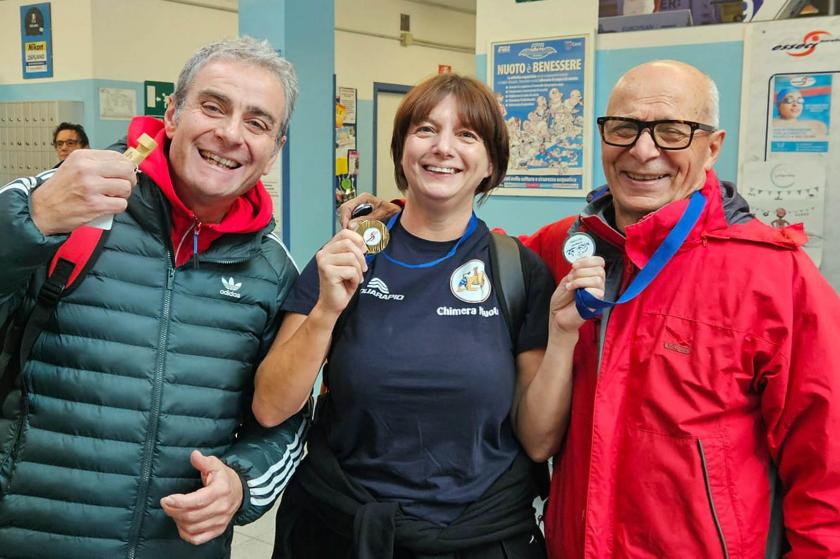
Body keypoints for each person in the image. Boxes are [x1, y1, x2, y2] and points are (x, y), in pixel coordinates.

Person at [339, 60, 840, 557]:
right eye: (623, 128)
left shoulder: (775, 277)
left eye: (672, 132)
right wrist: (405, 219)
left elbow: (827, 467)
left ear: (712, 147)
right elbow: (468, 254)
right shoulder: (563, 248)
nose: (643, 151)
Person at [253, 73, 604, 559]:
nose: (443, 147)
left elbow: (538, 442)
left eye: (467, 134)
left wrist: (563, 336)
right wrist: (326, 311)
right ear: (401, 151)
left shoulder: (518, 272)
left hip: (479, 538)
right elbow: (270, 407)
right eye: (425, 130)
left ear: (490, 163)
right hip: (342, 531)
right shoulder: (346, 258)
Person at [0, 37, 307, 558]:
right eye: (213, 107)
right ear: (172, 113)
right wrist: (32, 222)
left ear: (275, 148)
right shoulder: (59, 201)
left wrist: (242, 483)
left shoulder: (272, 269)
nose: (231, 134)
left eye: (257, 123)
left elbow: (288, 418)